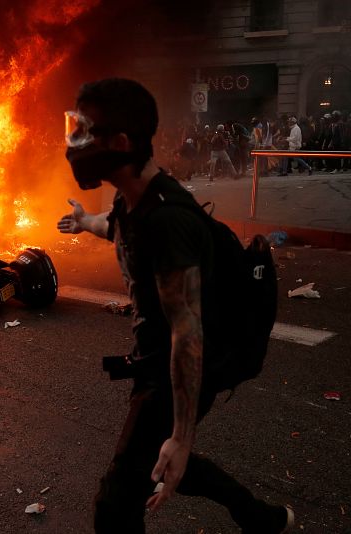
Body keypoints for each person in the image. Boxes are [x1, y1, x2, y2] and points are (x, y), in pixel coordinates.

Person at [58, 77, 294, 534]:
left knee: (115, 506)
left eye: (85, 130)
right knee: (156, 461)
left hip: (175, 369)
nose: (74, 142)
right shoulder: (136, 198)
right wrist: (87, 221)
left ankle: (255, 514)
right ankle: (258, 517)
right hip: (154, 359)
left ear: (121, 142)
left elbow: (188, 333)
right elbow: (124, 229)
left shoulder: (168, 221)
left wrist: (183, 435)